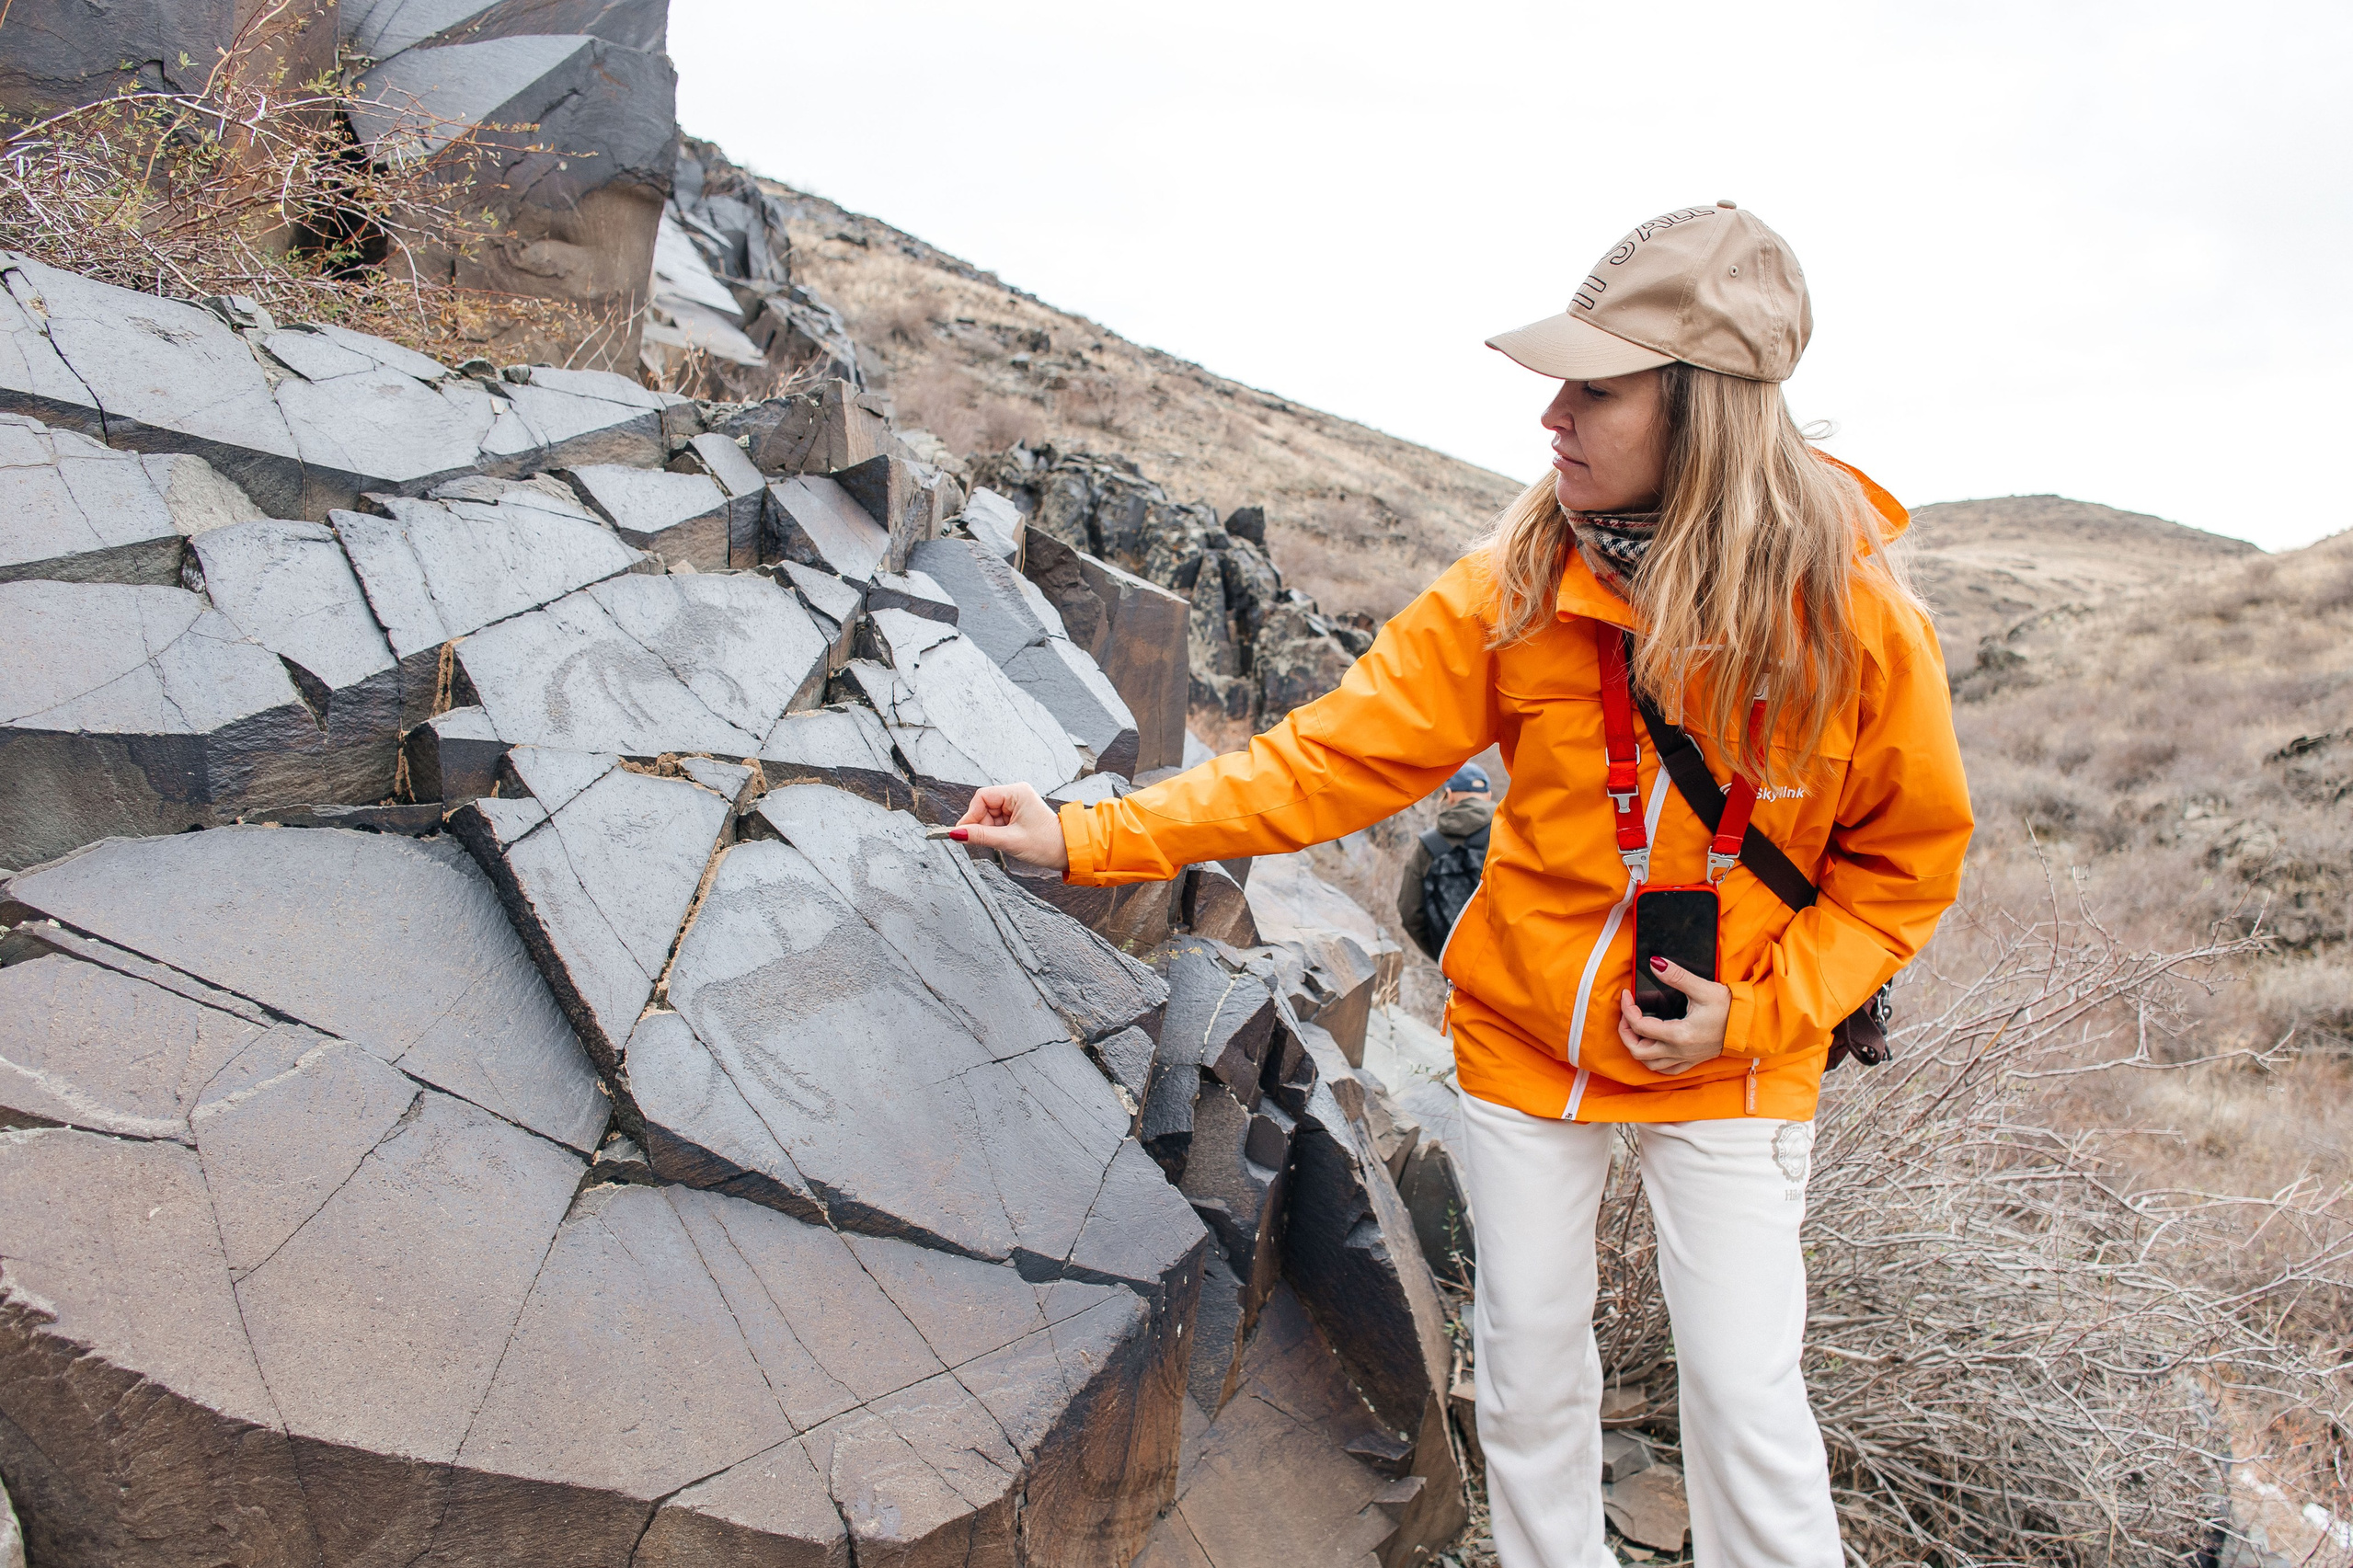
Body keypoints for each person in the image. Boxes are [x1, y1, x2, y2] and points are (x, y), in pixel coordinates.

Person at [954, 201, 1972, 1568]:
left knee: (1746, 1402)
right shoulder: (1520, 587)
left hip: (1739, 1059)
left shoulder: (1853, 619)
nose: (1551, 414)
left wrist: (1759, 1011)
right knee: (1530, 1379)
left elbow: (1902, 871)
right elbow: (1321, 764)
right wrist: (1087, 837)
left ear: (1702, 410)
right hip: (1526, 1039)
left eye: (1594, 388)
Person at [1398, 761, 1496, 960]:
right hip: (1509, 964)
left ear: (1449, 795)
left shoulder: (1429, 844)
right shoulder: (1509, 832)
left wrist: (1445, 957)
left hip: (1458, 964)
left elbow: (1410, 912)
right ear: (1488, 796)